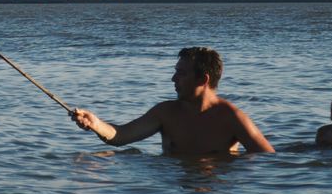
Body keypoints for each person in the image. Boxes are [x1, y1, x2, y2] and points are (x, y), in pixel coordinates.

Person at [71, 46, 274, 155]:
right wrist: (95, 123)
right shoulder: (165, 113)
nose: (173, 79)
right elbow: (121, 136)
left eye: (181, 74)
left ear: (203, 80)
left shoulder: (232, 118)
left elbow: (268, 160)